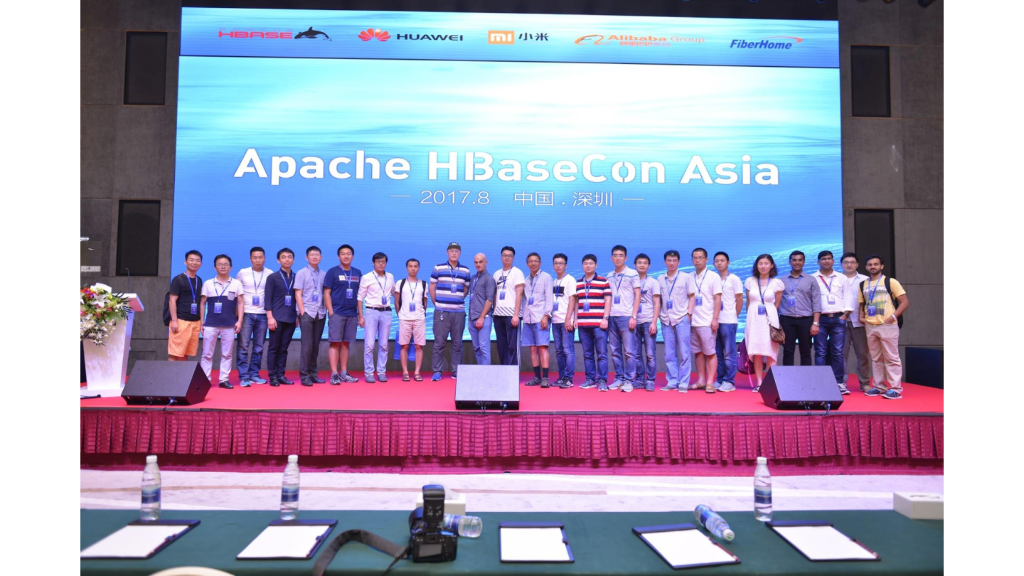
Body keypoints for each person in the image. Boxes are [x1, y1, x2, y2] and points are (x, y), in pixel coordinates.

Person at [858, 254, 909, 400]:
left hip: (887, 325)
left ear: (882, 266)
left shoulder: (890, 282)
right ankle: (880, 386)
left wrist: (892, 317)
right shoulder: (863, 284)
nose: (873, 267)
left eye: (876, 264)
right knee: (876, 358)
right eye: (870, 264)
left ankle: (895, 389)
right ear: (866, 267)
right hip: (870, 325)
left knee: (891, 357)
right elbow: (862, 303)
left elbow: (905, 302)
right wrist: (861, 317)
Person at [811, 250, 854, 395]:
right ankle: (821, 383)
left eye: (829, 258)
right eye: (823, 259)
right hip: (820, 319)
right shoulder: (813, 278)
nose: (826, 261)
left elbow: (848, 297)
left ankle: (839, 382)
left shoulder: (842, 278)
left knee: (837, 352)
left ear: (833, 261)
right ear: (818, 262)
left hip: (838, 318)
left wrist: (845, 315)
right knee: (820, 352)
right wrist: (814, 321)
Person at [199, 254, 244, 389]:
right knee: (207, 354)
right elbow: (202, 303)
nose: (223, 266)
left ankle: (223, 379)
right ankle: (205, 380)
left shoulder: (236, 283)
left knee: (227, 354)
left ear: (230, 267)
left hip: (229, 324)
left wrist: (239, 321)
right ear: (215, 267)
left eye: (225, 264)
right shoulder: (208, 283)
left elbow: (240, 303)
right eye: (220, 264)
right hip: (210, 324)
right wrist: (202, 322)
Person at [429, 242, 471, 381]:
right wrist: (437, 304)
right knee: (439, 343)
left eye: (456, 251)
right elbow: (432, 288)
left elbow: (466, 289)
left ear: (460, 253)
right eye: (451, 251)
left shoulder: (465, 270)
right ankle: (437, 371)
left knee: (457, 343)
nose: (454, 253)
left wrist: (457, 299)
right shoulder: (438, 268)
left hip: (458, 312)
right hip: (442, 311)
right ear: (447, 252)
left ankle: (456, 371)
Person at [745, 254, 785, 391]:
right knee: (757, 352)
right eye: (760, 263)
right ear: (756, 265)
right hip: (753, 319)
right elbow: (748, 302)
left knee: (770, 352)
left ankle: (771, 385)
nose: (763, 266)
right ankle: (759, 383)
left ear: (771, 265)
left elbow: (777, 304)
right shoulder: (750, 281)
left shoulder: (777, 283)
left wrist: (771, 316)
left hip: (769, 319)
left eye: (766, 263)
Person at [324, 244, 362, 385]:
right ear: (338, 256)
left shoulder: (357, 273)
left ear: (352, 256)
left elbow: (360, 295)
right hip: (337, 313)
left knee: (346, 344)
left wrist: (360, 314)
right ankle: (334, 374)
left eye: (348, 253)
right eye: (343, 254)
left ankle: (344, 373)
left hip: (352, 314)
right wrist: (331, 312)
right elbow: (326, 293)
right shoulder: (332, 272)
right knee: (335, 343)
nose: (346, 256)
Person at [573, 254, 611, 390]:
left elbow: (608, 301)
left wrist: (605, 318)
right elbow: (576, 302)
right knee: (587, 354)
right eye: (585, 263)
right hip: (583, 324)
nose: (588, 266)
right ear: (582, 266)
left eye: (591, 263)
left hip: (599, 324)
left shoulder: (603, 281)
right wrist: (575, 319)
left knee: (602, 354)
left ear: (596, 265)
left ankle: (602, 380)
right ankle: (590, 379)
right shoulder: (578, 283)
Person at [606, 245, 641, 393]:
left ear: (626, 258)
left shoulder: (633, 274)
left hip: (627, 316)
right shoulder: (609, 276)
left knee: (629, 351)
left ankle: (629, 380)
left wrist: (634, 316)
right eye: (615, 255)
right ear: (611, 258)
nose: (618, 258)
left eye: (621, 255)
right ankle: (619, 378)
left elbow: (638, 295)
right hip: (612, 316)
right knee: (614, 351)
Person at [658, 250, 694, 392]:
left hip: (682, 318)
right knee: (669, 353)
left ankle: (683, 383)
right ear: (664, 262)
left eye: (674, 261)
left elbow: (692, 296)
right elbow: (659, 300)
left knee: (684, 352)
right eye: (669, 260)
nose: (671, 263)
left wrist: (689, 314)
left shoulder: (685, 277)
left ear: (678, 262)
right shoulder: (660, 279)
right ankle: (672, 381)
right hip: (666, 319)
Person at [689, 248, 723, 394]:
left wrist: (715, 319)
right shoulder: (690, 276)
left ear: (706, 259)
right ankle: (701, 380)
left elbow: (717, 299)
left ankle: (710, 382)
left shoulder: (713, 277)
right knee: (698, 352)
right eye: (695, 258)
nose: (698, 260)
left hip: (707, 321)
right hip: (693, 321)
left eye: (700, 257)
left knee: (710, 352)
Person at [778, 251, 821, 366]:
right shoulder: (781, 280)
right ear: (790, 262)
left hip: (806, 320)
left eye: (800, 260)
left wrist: (815, 323)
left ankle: (806, 377)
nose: (797, 262)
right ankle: (788, 377)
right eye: (794, 260)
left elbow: (817, 302)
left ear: (804, 262)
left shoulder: (811, 280)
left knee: (806, 352)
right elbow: (777, 301)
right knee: (788, 352)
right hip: (787, 319)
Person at [358, 252, 395, 382]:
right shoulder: (366, 277)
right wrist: (361, 316)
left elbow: (394, 292)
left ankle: (381, 371)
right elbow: (360, 298)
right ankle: (369, 373)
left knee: (384, 345)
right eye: (378, 261)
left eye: (383, 261)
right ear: (373, 263)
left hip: (386, 312)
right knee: (369, 345)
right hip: (371, 311)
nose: (381, 264)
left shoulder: (390, 277)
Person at [264, 248, 297, 386]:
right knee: (274, 348)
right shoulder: (272, 277)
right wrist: (270, 317)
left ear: (293, 260)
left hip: (291, 318)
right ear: (278, 260)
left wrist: (297, 316)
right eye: (284, 257)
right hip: (276, 318)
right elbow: (268, 298)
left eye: (289, 257)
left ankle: (281, 375)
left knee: (284, 349)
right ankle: (272, 376)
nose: (287, 259)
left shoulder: (296, 277)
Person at [294, 246, 327, 386]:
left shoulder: (324, 274)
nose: (314, 257)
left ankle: (313, 374)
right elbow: (298, 294)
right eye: (312, 255)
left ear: (321, 257)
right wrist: (302, 312)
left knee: (315, 346)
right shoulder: (301, 273)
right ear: (306, 257)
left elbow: (325, 294)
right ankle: (304, 376)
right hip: (307, 313)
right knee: (306, 346)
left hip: (320, 313)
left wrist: (325, 309)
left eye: (317, 255)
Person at [236, 247, 268, 387]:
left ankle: (254, 374)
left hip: (263, 314)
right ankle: (244, 376)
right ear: (250, 259)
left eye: (260, 257)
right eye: (255, 257)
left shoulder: (269, 274)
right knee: (243, 346)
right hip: (246, 314)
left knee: (259, 347)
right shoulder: (243, 273)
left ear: (264, 258)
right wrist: (237, 316)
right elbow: (237, 294)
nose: (258, 260)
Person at [521, 252, 554, 387]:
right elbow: (523, 300)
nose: (533, 263)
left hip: (541, 317)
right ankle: (537, 377)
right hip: (528, 318)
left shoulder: (546, 277)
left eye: (536, 261)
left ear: (540, 263)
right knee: (533, 349)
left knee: (542, 348)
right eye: (530, 261)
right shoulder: (525, 280)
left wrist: (546, 315)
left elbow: (549, 297)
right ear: (527, 264)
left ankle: (545, 378)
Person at [841, 252, 872, 392]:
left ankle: (864, 382)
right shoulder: (837, 279)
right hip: (840, 322)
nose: (849, 265)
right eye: (846, 262)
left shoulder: (866, 280)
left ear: (857, 264)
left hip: (860, 321)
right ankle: (841, 382)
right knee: (841, 354)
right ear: (841, 264)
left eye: (852, 262)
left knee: (862, 354)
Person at [713, 251, 743, 393]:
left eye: (722, 260)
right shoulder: (713, 279)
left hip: (729, 320)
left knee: (729, 352)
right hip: (715, 320)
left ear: (728, 262)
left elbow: (740, 300)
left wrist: (733, 316)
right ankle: (720, 379)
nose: (719, 263)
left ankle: (730, 381)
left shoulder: (734, 279)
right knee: (718, 352)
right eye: (717, 261)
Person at [396, 258, 428, 381]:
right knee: (404, 346)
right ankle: (405, 372)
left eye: (415, 266)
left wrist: (421, 313)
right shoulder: (401, 283)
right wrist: (400, 315)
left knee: (419, 346)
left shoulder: (423, 284)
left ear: (418, 268)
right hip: (404, 318)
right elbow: (397, 301)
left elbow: (425, 302)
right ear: (406, 268)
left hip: (419, 318)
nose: (413, 268)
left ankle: (417, 372)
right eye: (410, 266)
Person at [492, 246, 526, 366]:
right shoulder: (496, 274)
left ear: (513, 258)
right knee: (501, 345)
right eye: (504, 255)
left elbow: (519, 294)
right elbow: (494, 294)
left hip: (511, 316)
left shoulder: (517, 272)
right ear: (501, 257)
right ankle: (504, 370)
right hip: (498, 315)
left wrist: (516, 315)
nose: (507, 258)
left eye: (509, 256)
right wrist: (494, 311)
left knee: (513, 346)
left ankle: (513, 371)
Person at [168, 250, 203, 361]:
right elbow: (172, 301)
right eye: (191, 260)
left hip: (195, 322)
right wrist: (174, 320)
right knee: (175, 353)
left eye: (197, 260)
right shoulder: (178, 279)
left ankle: (182, 373)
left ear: (201, 264)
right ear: (185, 262)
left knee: (185, 353)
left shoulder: (199, 280)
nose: (194, 263)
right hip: (181, 321)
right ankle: (170, 373)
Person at [633, 253, 660, 392]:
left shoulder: (653, 282)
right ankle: (639, 379)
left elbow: (657, 304)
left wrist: (654, 322)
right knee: (636, 354)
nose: (642, 265)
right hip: (634, 322)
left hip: (648, 320)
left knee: (650, 354)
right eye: (639, 262)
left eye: (645, 263)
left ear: (649, 266)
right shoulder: (631, 281)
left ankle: (650, 380)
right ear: (635, 265)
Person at [550, 253, 577, 389]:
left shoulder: (570, 280)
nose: (558, 266)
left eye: (561, 263)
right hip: (555, 321)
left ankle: (568, 378)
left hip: (566, 321)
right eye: (556, 263)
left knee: (568, 350)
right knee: (559, 351)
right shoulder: (554, 281)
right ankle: (561, 377)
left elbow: (573, 299)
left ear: (566, 265)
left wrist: (568, 319)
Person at [467, 253, 496, 366]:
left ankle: (486, 373)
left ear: (486, 262)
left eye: (480, 262)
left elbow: (489, 300)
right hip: (472, 318)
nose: (478, 264)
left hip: (484, 318)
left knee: (484, 348)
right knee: (477, 348)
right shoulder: (473, 278)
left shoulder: (489, 279)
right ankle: (480, 372)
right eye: (476, 262)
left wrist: (482, 317)